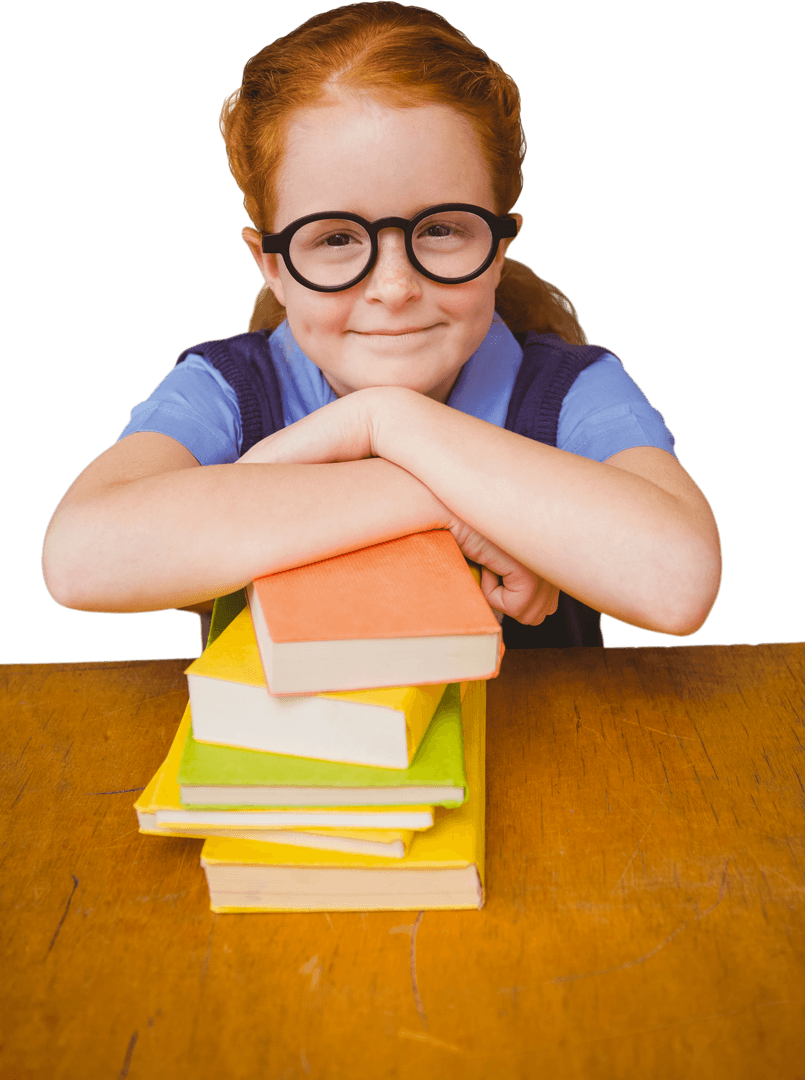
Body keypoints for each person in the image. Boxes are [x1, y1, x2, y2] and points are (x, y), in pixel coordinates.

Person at [42, 1, 721, 647]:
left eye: (441, 229)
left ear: (499, 246)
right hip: (285, 766)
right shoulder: (224, 389)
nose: (394, 287)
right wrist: (439, 501)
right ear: (271, 265)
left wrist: (382, 422)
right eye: (335, 239)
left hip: (543, 757)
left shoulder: (573, 390)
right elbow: (80, 559)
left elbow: (676, 583)